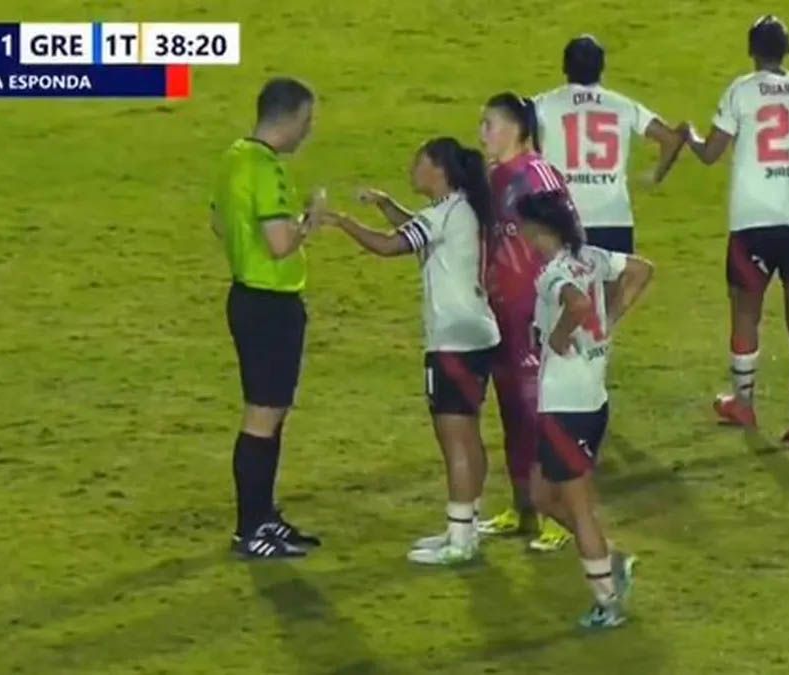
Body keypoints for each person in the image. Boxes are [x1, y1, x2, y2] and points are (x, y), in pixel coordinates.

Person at [317, 137, 500, 566]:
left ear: (439, 170)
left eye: (419, 163)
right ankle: (465, 527)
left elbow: (389, 245)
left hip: (452, 340)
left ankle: (460, 541)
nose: (412, 169)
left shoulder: (444, 213)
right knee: (469, 433)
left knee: (454, 439)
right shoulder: (461, 208)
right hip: (478, 333)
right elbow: (416, 230)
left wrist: (340, 221)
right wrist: (386, 204)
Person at [679, 15, 789, 447]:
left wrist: (690, 136)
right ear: (787, 50)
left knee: (746, 313)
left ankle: (744, 403)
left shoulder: (741, 90)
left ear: (752, 50)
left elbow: (712, 153)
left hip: (754, 222)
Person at [515, 192, 654, 628]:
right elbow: (641, 270)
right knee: (540, 494)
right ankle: (612, 558)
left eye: (523, 228)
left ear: (539, 231)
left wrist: (559, 337)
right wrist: (610, 318)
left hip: (567, 405)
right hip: (589, 399)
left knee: (577, 508)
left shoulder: (553, 274)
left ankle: (607, 603)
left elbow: (575, 305)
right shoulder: (591, 256)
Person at [210, 77, 326, 559]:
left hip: (247, 296)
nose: (309, 131)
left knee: (270, 414)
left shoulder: (234, 156)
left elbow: (219, 222)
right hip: (271, 303)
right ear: (293, 118)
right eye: (308, 121)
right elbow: (280, 243)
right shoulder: (269, 169)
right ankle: (250, 529)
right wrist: (310, 221)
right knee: (262, 417)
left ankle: (264, 518)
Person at [476, 92, 576, 552]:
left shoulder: (538, 177)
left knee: (541, 414)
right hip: (501, 315)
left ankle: (557, 515)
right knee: (512, 411)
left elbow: (571, 242)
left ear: (517, 128)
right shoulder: (495, 179)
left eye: (490, 125)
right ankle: (523, 508)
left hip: (536, 315)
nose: (483, 134)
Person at [533, 34, 685, 253]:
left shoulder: (544, 104)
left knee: (562, 285)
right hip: (614, 220)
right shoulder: (622, 105)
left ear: (565, 67)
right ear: (602, 68)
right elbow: (671, 139)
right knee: (615, 286)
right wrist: (655, 175)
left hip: (563, 217)